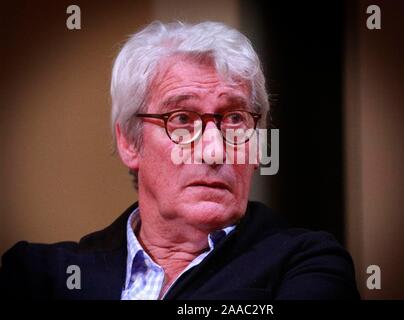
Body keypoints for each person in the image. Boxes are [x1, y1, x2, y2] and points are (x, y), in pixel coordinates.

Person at [0, 21, 359, 300]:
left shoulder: (308, 266)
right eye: (182, 119)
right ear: (129, 143)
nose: (215, 151)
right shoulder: (41, 274)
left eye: (235, 119)